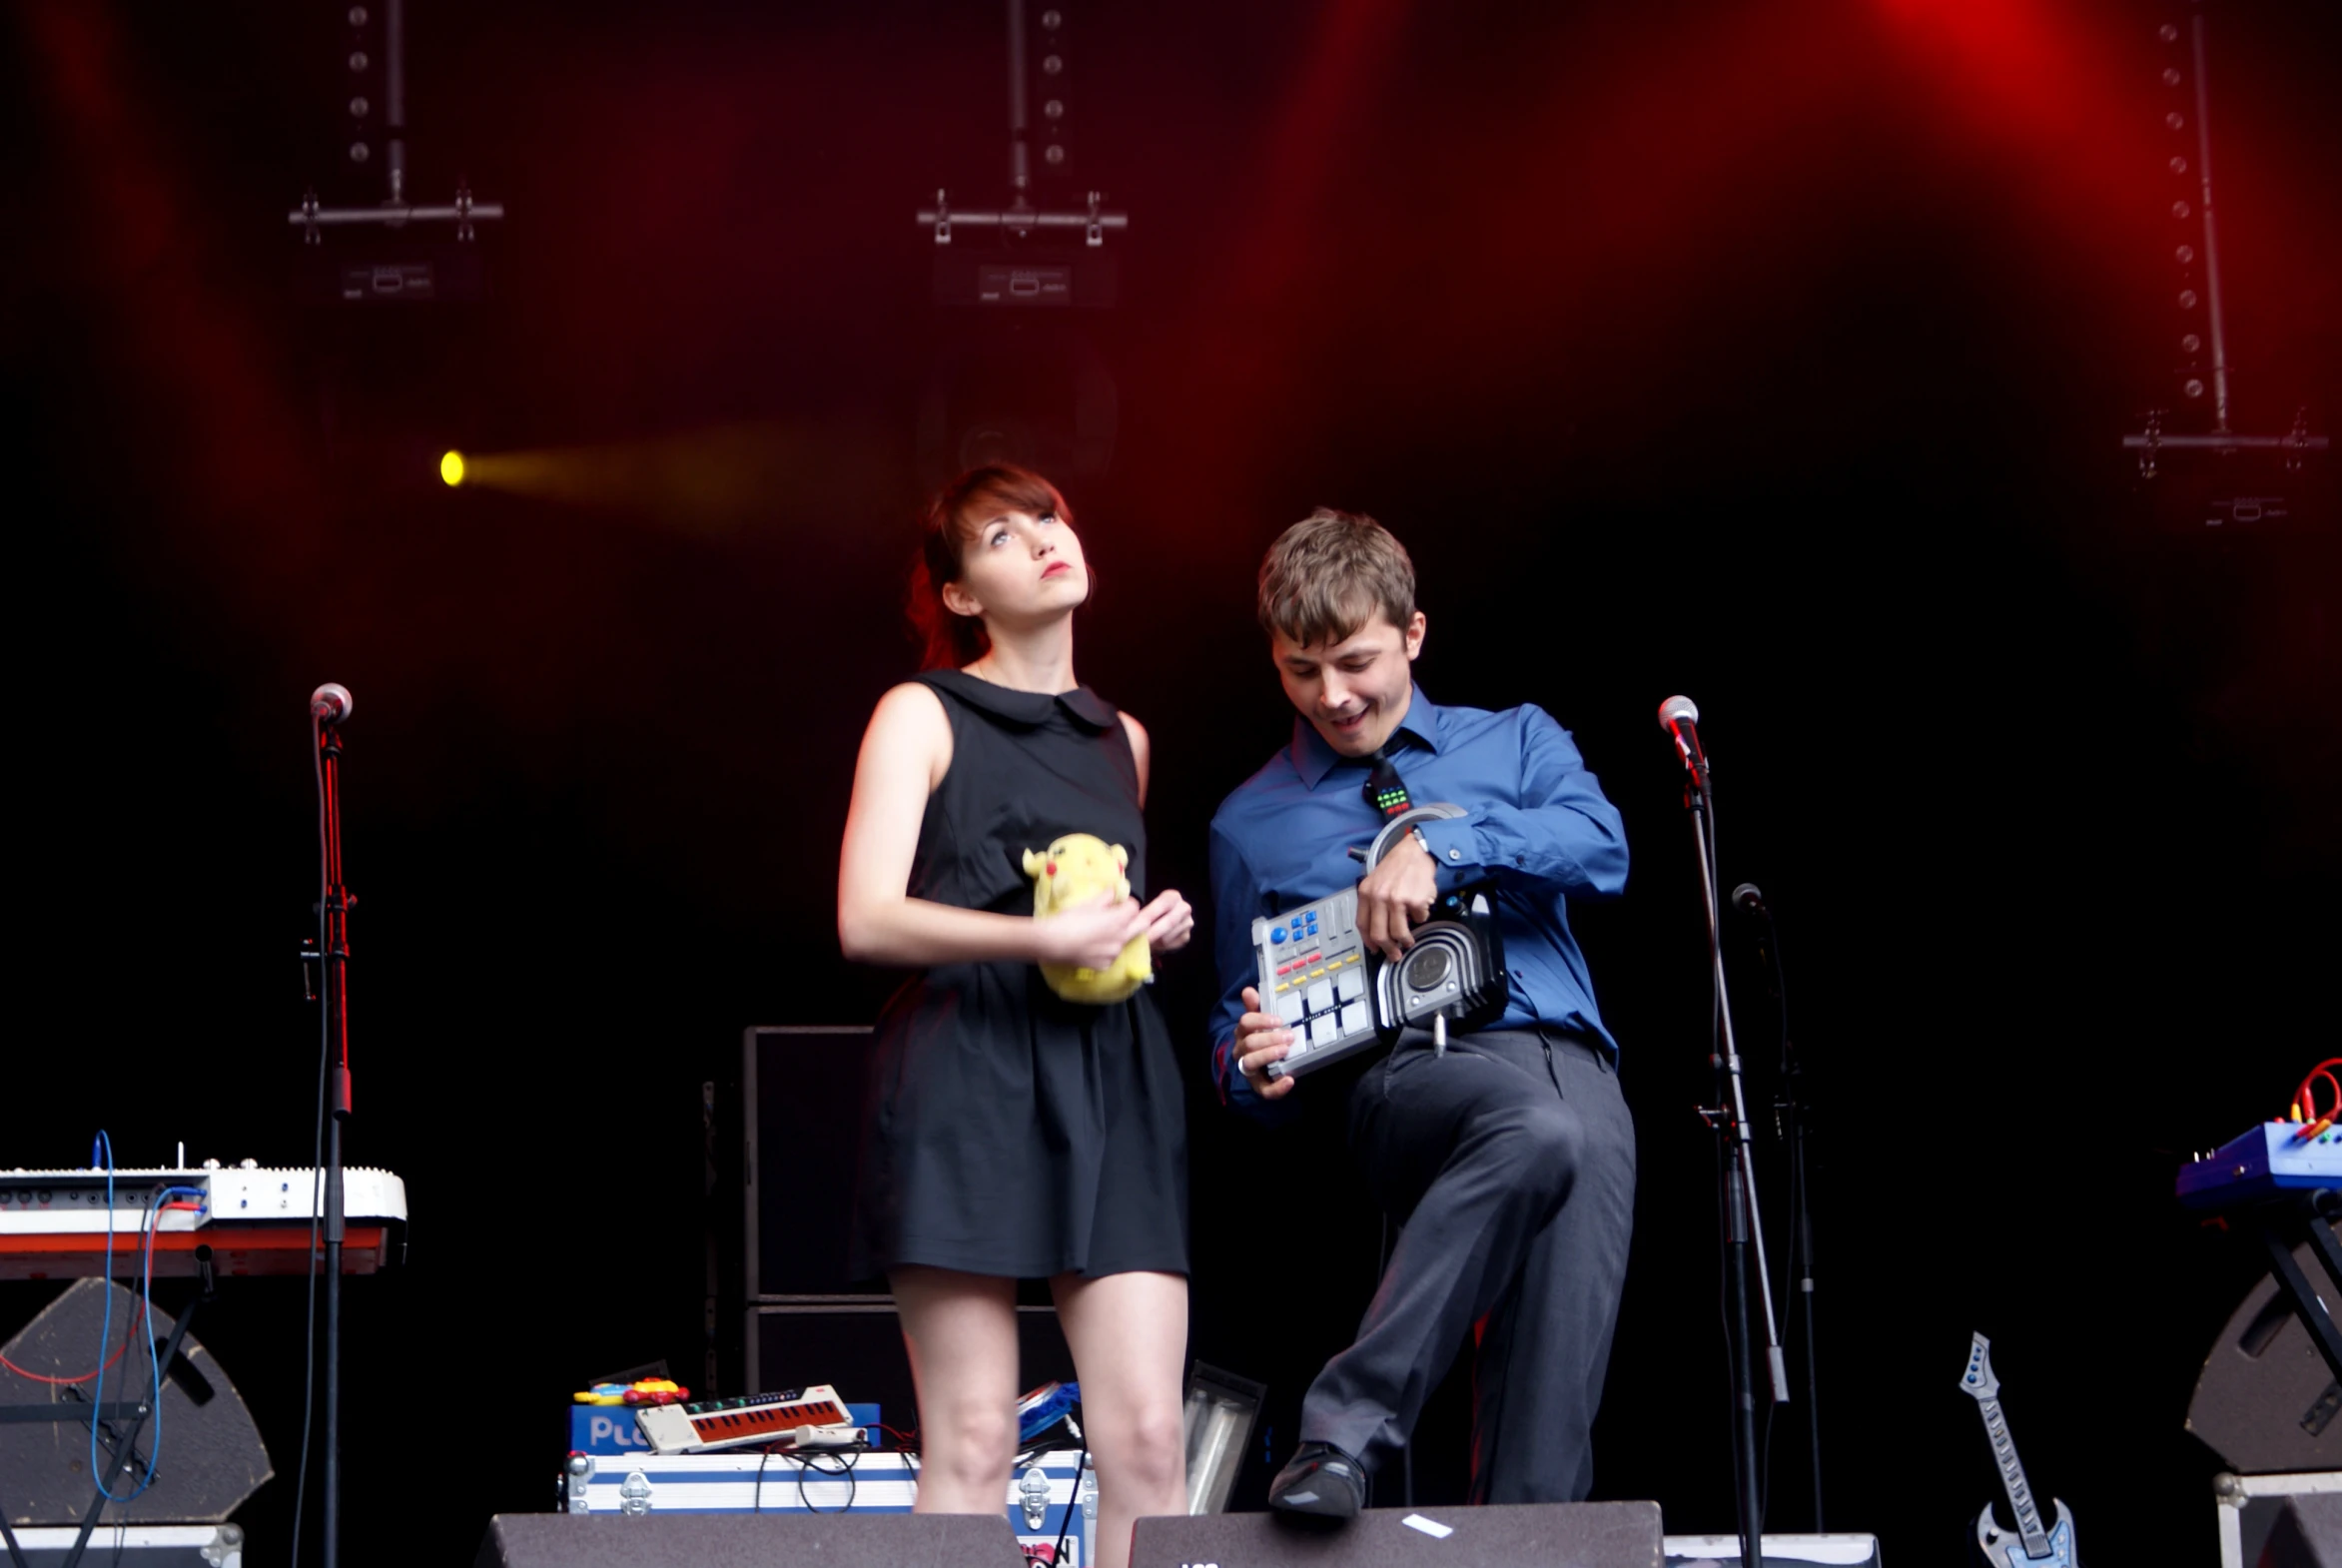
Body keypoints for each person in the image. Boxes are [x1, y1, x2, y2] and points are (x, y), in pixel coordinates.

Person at [1206, 507, 1635, 1515]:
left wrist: (1449, 843)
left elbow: (1601, 846)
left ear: (1412, 633)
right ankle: (1341, 1429)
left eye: (1353, 660)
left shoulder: (1515, 740)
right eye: (1299, 670)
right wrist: (1248, 1062)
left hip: (1572, 1067)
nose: (1332, 696)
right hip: (1407, 1078)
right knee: (1531, 1125)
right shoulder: (1246, 821)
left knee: (1549, 1417)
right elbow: (1232, 1035)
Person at [839, 464, 1192, 1568]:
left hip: (1112, 1076)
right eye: (1001, 533)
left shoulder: (1120, 739)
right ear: (958, 594)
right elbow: (864, 918)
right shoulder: (919, 712)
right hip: (964, 1070)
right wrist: (1044, 939)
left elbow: (1094, 931)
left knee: (1145, 1436)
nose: (1042, 539)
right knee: (975, 1436)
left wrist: (1140, 933)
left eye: (1049, 518)